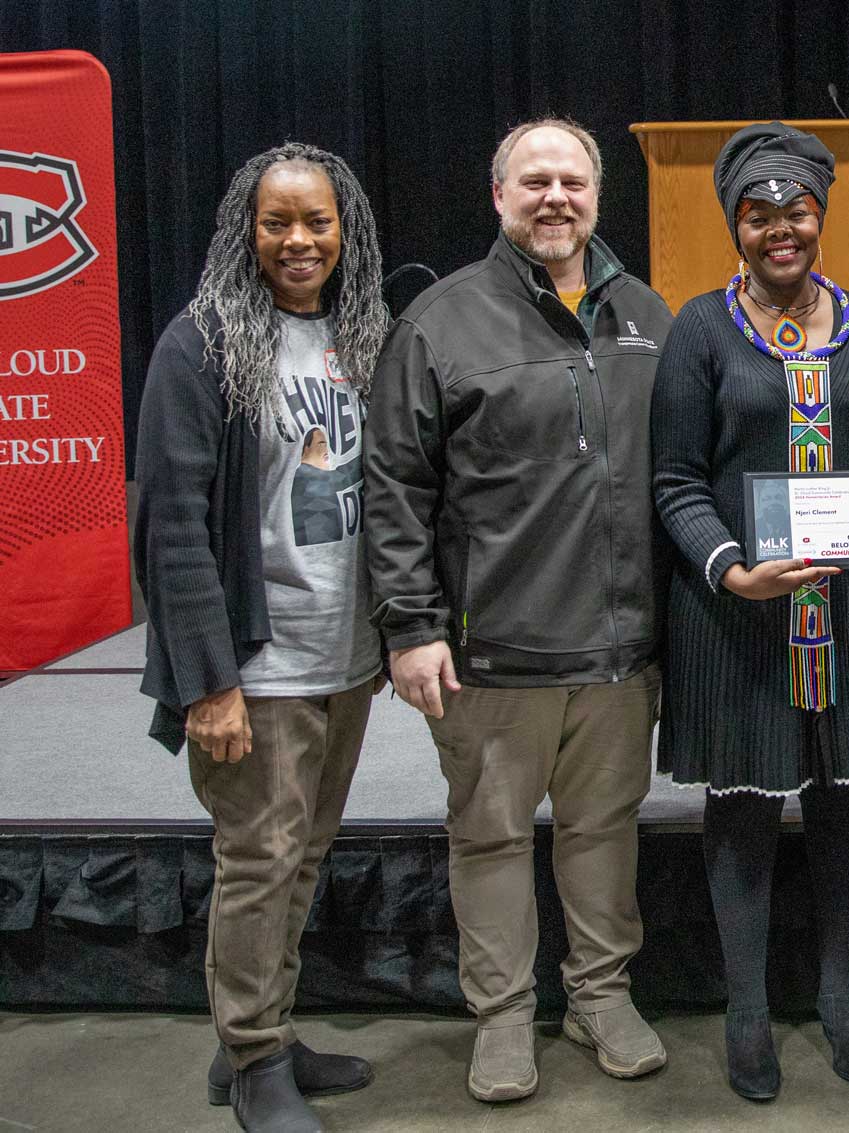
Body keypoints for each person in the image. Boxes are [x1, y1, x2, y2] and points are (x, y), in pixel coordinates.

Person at [363, 117, 673, 1103]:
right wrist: (411, 625)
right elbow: (394, 485)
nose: (555, 197)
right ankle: (501, 1017)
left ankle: (598, 994)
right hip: (492, 655)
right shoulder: (440, 323)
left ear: (596, 196)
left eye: (572, 181)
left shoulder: (648, 314)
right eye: (533, 180)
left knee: (602, 832)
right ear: (499, 197)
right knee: (490, 841)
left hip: (622, 653)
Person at [650, 122, 849, 1101]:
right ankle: (748, 1007)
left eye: (797, 212)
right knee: (745, 809)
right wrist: (731, 569)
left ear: (821, 215)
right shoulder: (699, 330)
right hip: (740, 617)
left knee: (846, 797)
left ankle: (840, 986)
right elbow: (675, 480)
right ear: (736, 222)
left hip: (846, 617)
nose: (780, 230)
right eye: (758, 214)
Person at [135, 142, 388, 1133]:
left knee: (302, 853)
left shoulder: (361, 335)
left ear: (345, 229)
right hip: (259, 663)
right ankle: (251, 1060)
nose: (298, 240)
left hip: (346, 657)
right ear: (246, 229)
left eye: (316, 221)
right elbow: (171, 526)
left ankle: (263, 1032)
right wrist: (208, 680)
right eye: (277, 221)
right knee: (260, 855)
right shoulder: (201, 344)